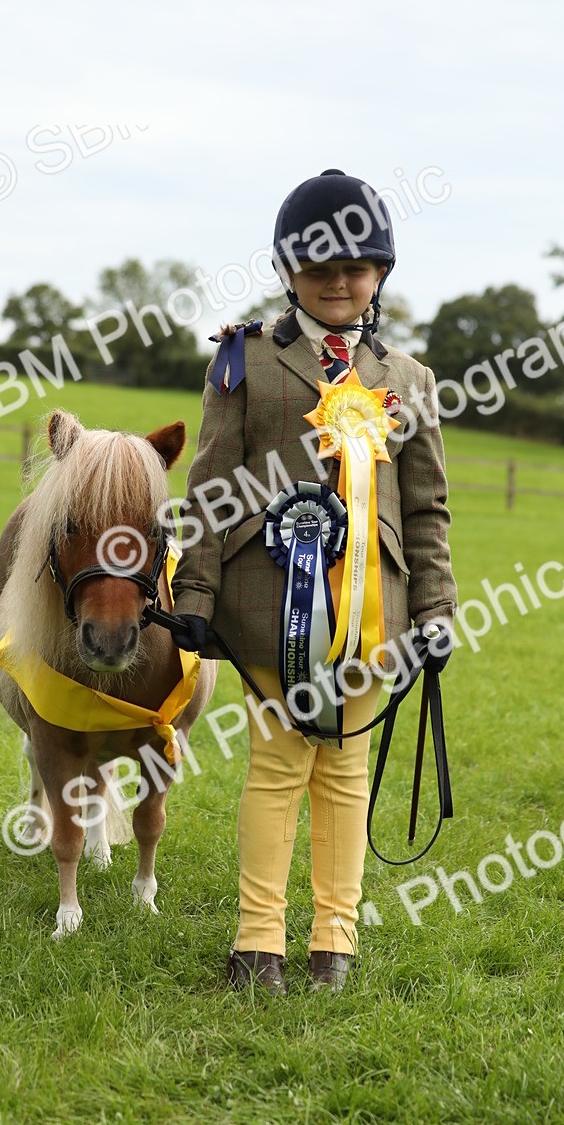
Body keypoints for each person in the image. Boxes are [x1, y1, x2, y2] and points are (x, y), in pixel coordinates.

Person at [171, 169, 457, 993]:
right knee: (278, 767)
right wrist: (193, 593)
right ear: (290, 270)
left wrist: (435, 609)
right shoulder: (245, 359)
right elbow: (212, 487)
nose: (338, 282)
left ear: (378, 277)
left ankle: (336, 945)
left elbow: (427, 508)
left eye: (356, 267)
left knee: (346, 772)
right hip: (272, 609)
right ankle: (258, 943)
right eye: (320, 268)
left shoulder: (410, 380)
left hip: (378, 613)